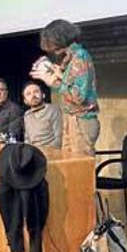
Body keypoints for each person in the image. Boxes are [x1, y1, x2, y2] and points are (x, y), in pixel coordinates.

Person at [29, 19, 100, 156]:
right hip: (70, 117)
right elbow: (67, 88)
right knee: (69, 166)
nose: (51, 49)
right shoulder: (70, 57)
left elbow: (78, 96)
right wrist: (51, 80)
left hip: (81, 120)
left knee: (79, 168)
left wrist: (60, 78)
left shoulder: (80, 57)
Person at [22, 81, 63, 149]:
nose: (33, 95)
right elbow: (27, 139)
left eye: (36, 91)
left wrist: (43, 152)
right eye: (28, 94)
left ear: (43, 95)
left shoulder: (53, 110)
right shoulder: (27, 115)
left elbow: (59, 139)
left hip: (51, 152)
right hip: (33, 153)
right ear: (25, 101)